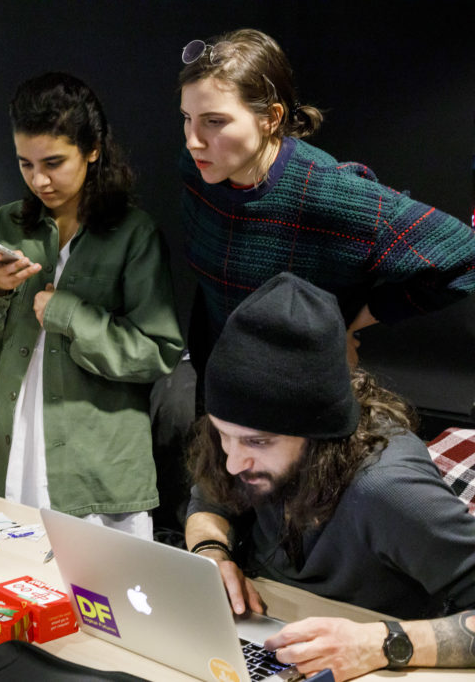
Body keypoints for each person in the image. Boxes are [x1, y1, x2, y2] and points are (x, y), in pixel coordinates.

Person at [184, 271, 475, 679]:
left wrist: (381, 643)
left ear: (318, 436)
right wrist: (212, 553)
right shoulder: (240, 451)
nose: (234, 463)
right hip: (273, 636)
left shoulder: (386, 490)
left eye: (258, 442)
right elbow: (210, 496)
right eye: (223, 434)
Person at [0, 72, 184, 539]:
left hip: (96, 467)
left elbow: (158, 351)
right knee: (1, 597)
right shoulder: (6, 223)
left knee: (100, 606)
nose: (39, 179)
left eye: (54, 162)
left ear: (92, 149)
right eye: (25, 163)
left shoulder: (133, 234)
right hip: (7, 453)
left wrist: (69, 314)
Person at [178, 28, 475, 376]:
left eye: (215, 122)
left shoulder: (332, 194)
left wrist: (346, 325)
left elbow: (464, 258)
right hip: (219, 377)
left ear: (271, 118)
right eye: (187, 118)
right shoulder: (199, 168)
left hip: (298, 395)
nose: (193, 141)